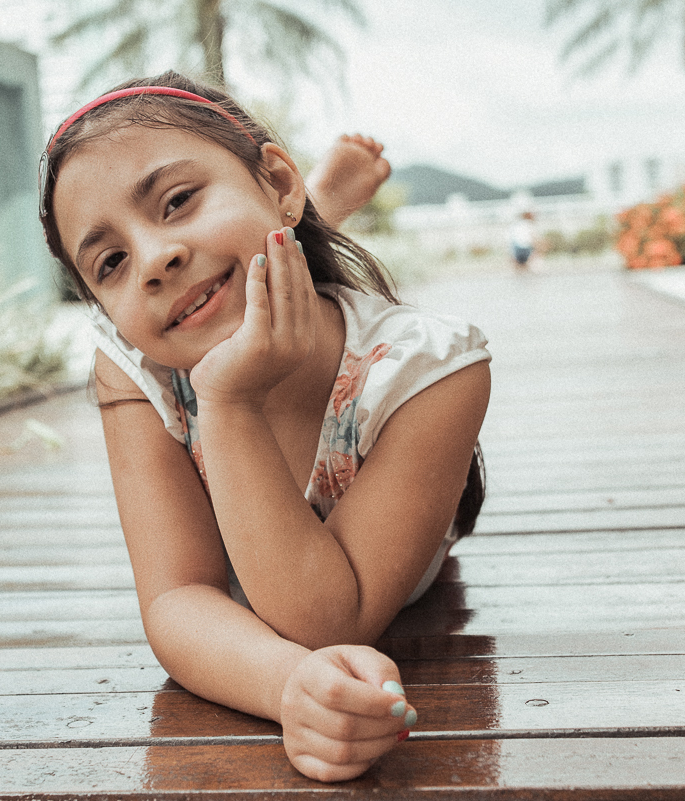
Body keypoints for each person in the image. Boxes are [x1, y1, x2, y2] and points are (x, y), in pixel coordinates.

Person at [38, 71, 491, 783]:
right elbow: (177, 596)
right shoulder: (138, 365)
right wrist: (287, 684)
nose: (154, 260)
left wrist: (230, 403)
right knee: (250, 267)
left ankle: (306, 212)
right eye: (111, 262)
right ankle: (305, 216)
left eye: (177, 200)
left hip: (366, 557)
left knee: (259, 267)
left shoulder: (431, 368)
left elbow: (325, 619)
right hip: (255, 252)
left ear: (275, 173)